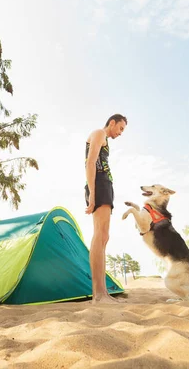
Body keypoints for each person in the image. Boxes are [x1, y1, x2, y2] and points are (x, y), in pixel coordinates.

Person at [84, 113, 127, 303]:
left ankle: (103, 293)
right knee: (99, 235)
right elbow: (90, 162)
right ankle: (98, 294)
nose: (120, 133)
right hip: (99, 184)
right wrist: (92, 193)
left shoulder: (105, 139)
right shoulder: (99, 133)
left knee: (104, 236)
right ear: (112, 123)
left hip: (105, 185)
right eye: (121, 128)